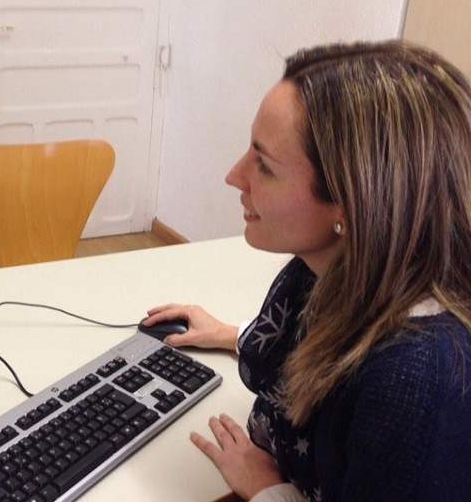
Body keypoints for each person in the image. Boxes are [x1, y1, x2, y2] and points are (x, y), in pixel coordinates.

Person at [143, 40, 471, 501]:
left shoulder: (415, 385)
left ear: (350, 204)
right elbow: (317, 341)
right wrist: (230, 334)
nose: (234, 176)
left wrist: (266, 489)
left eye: (264, 165)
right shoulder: (332, 266)